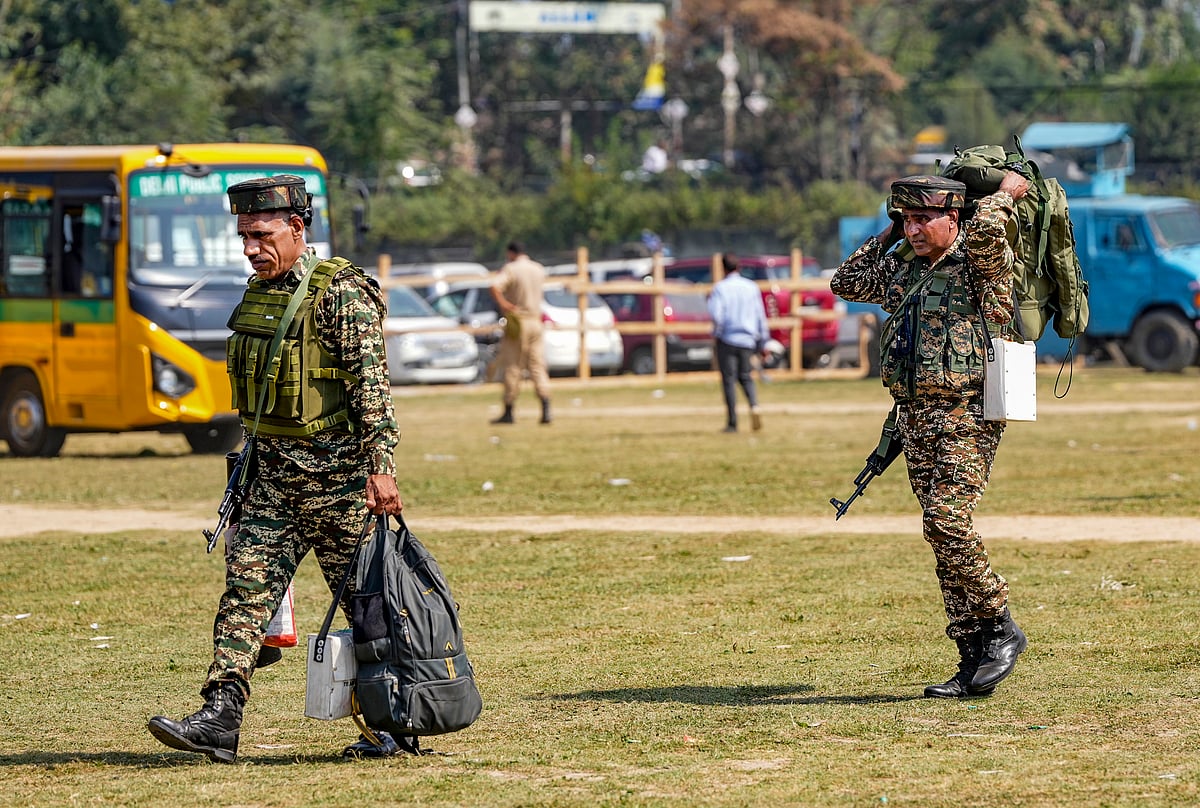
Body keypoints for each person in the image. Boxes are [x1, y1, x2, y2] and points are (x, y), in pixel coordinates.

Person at [146, 175, 405, 762]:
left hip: (340, 486)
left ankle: (395, 721)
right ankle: (221, 717)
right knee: (245, 594)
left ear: (297, 228)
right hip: (273, 481)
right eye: (243, 236)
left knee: (368, 607)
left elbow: (372, 386)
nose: (250, 247)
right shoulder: (258, 293)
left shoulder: (340, 292)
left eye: (261, 234)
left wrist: (380, 467)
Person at [830, 173, 1030, 700]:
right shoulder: (902, 270)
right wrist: (890, 233)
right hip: (915, 418)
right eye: (908, 220)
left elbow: (987, 232)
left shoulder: (981, 266)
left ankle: (1000, 623)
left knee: (947, 518)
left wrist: (1005, 195)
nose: (915, 229)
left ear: (953, 219)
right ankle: (972, 656)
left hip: (968, 413)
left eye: (924, 219)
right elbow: (846, 282)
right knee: (939, 535)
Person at [490, 240, 551, 425]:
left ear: (511, 253)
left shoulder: (511, 268)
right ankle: (546, 407)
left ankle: (509, 409)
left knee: (513, 366)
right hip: (536, 321)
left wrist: (504, 304)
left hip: (519, 321)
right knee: (537, 366)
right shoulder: (538, 269)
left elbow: (494, 286)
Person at [708, 253, 769, 433]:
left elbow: (717, 315)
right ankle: (754, 405)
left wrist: (716, 333)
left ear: (723, 268)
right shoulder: (751, 287)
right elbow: (760, 316)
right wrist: (763, 341)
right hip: (748, 339)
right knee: (746, 376)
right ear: (739, 267)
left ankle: (732, 422)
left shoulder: (720, 288)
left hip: (727, 338)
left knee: (728, 380)